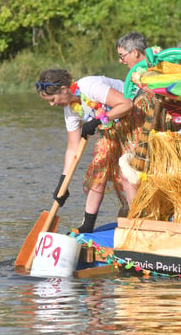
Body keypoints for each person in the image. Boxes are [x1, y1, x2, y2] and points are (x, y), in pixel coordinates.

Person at [36, 69, 137, 233]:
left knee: (127, 174)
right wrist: (63, 182)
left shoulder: (89, 87)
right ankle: (87, 225)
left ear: (63, 89)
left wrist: (97, 120)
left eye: (53, 99)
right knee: (97, 172)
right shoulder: (70, 110)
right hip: (111, 129)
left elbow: (126, 104)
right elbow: (72, 148)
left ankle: (138, 221)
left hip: (134, 120)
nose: (52, 104)